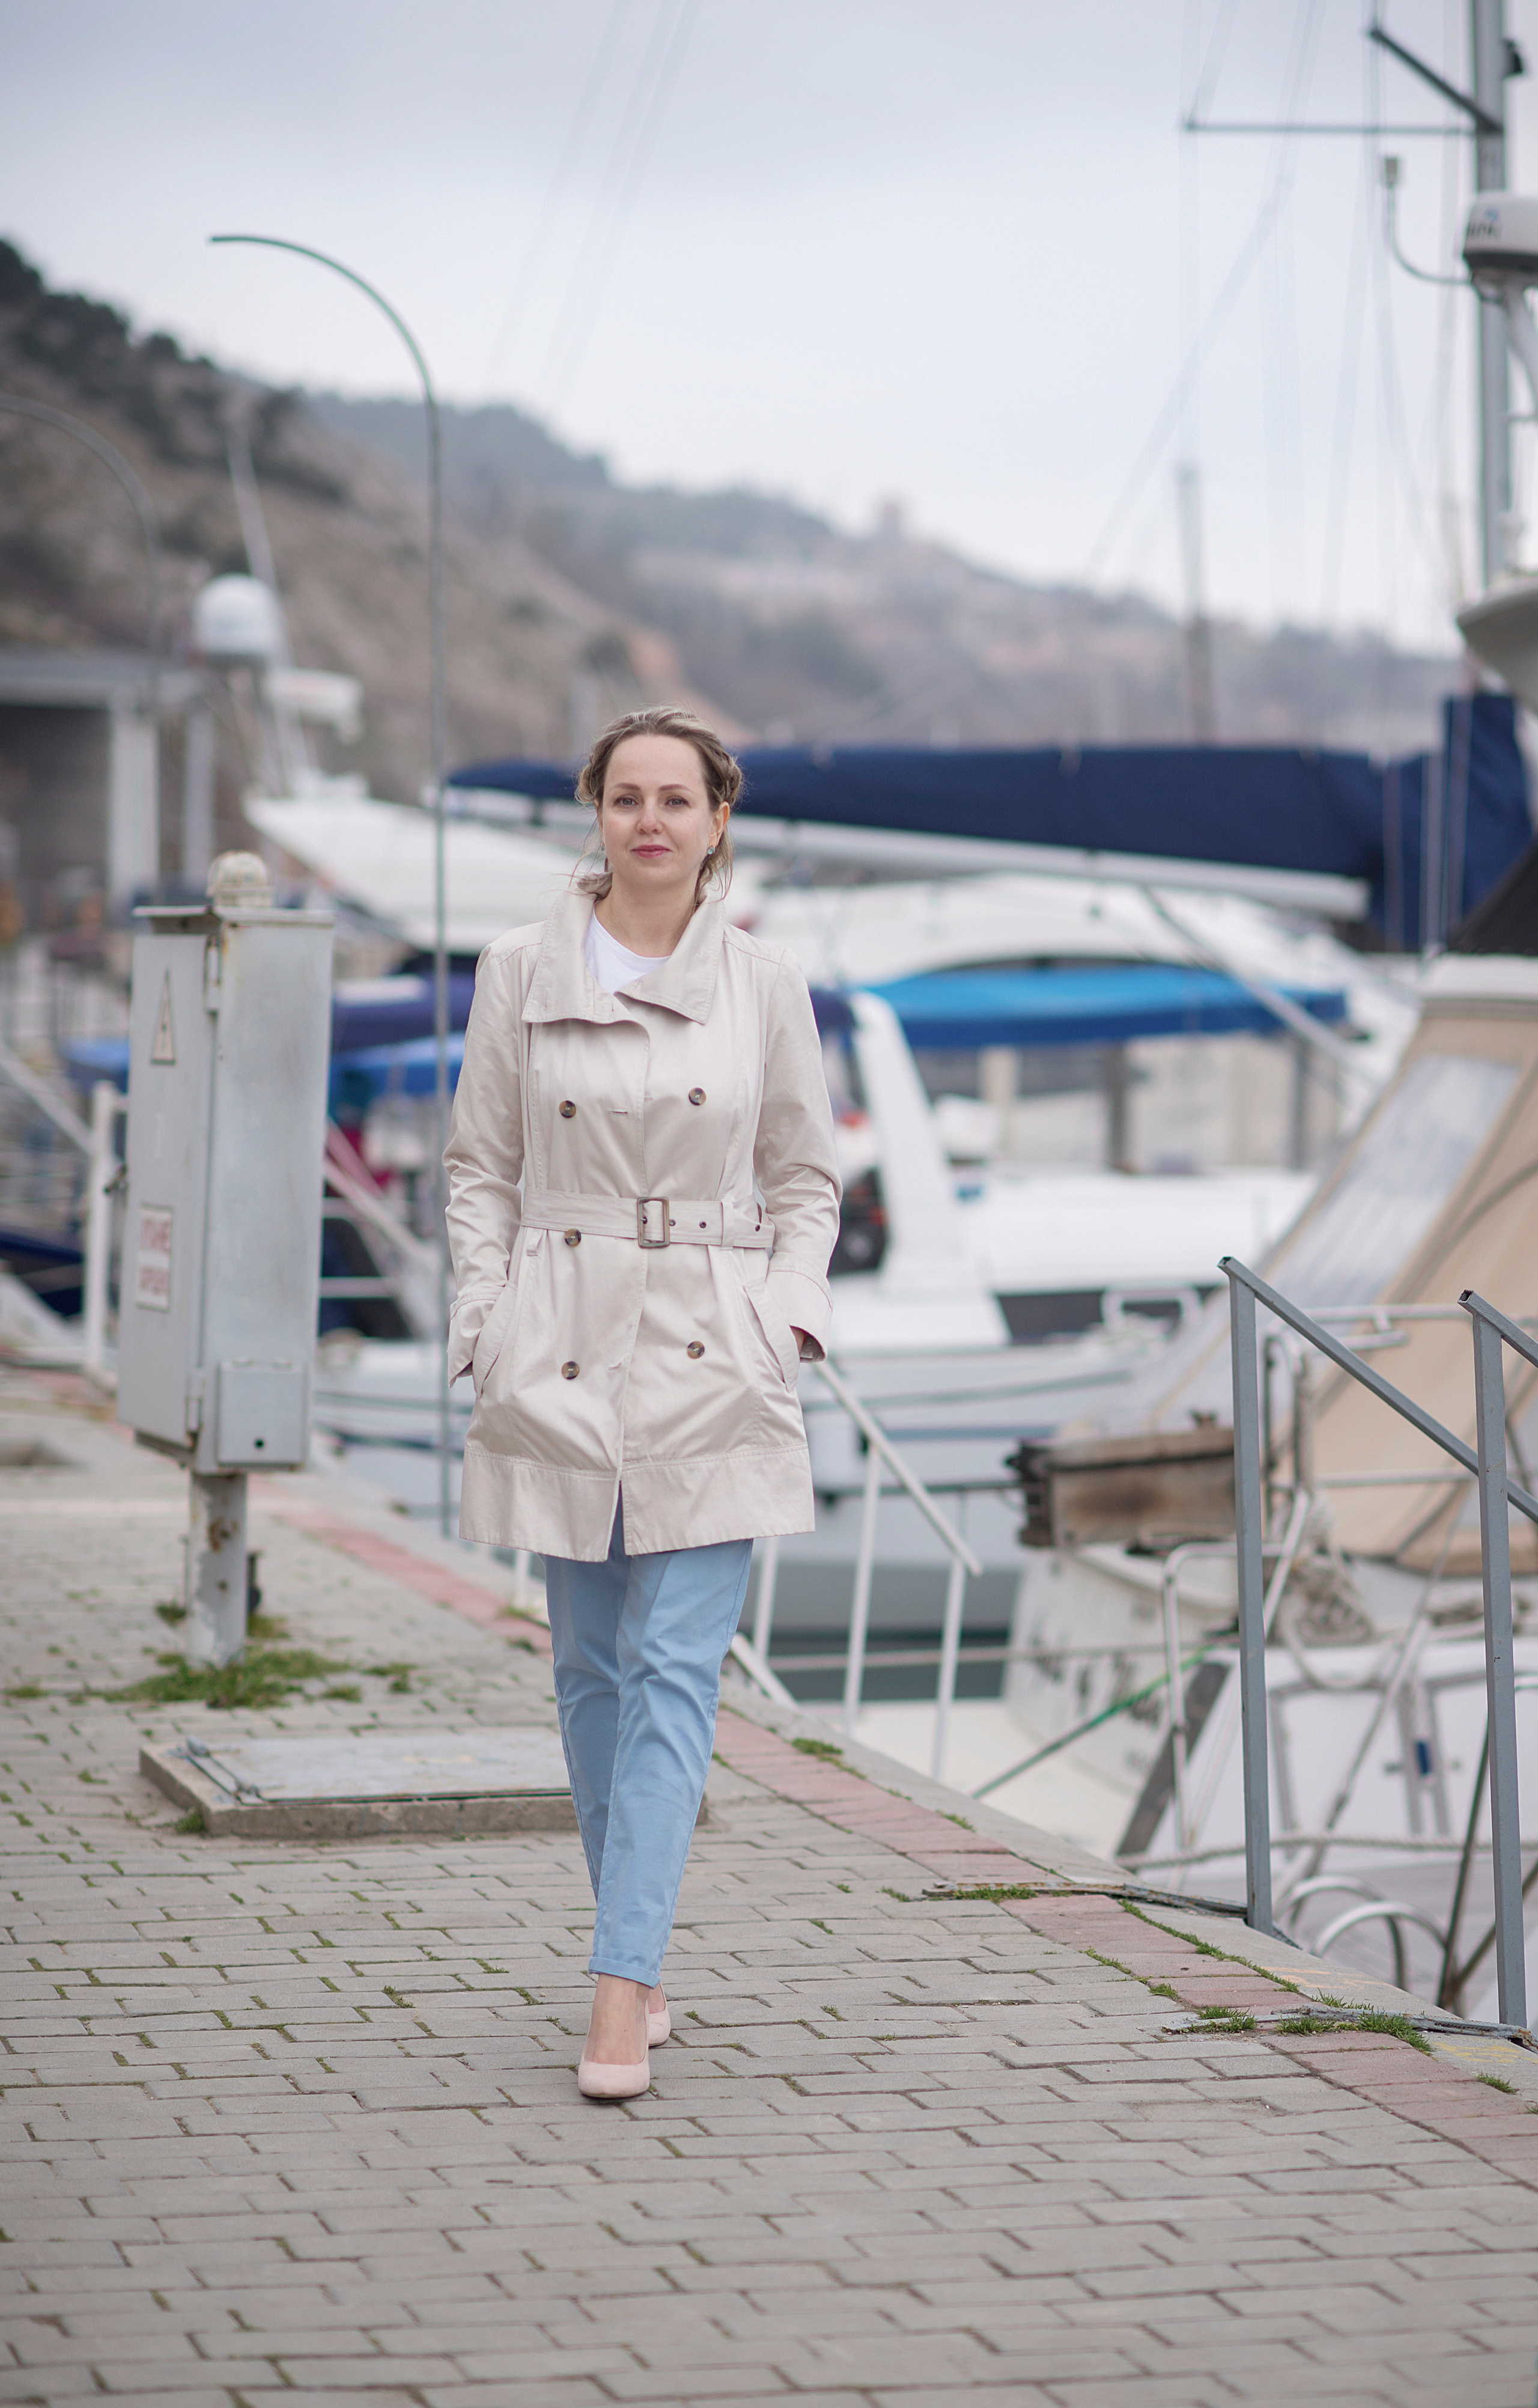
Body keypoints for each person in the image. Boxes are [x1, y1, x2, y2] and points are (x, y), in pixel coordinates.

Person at [444, 705, 842, 2100]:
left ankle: (616, 1995)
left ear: (718, 820)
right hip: (556, 1337)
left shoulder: (762, 983)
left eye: (679, 799)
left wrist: (785, 1314)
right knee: (592, 1675)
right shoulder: (514, 971)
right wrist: (482, 1322)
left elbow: (805, 1177)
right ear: (595, 812)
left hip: (709, 1347)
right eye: (628, 798)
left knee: (675, 1672)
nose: (653, 822)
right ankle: (647, 1949)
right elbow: (479, 1168)